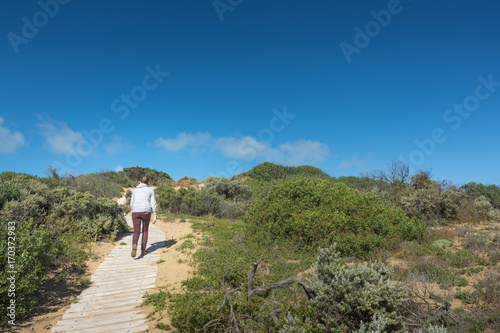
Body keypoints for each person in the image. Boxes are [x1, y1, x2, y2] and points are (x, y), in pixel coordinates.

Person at [130, 176, 157, 257]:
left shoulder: (135, 190)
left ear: (140, 182)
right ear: (148, 182)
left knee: (136, 231)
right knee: (145, 230)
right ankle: (143, 250)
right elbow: (153, 203)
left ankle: (134, 244)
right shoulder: (150, 190)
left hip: (135, 211)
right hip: (146, 211)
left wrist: (134, 209)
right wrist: (155, 214)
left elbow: (132, 203)